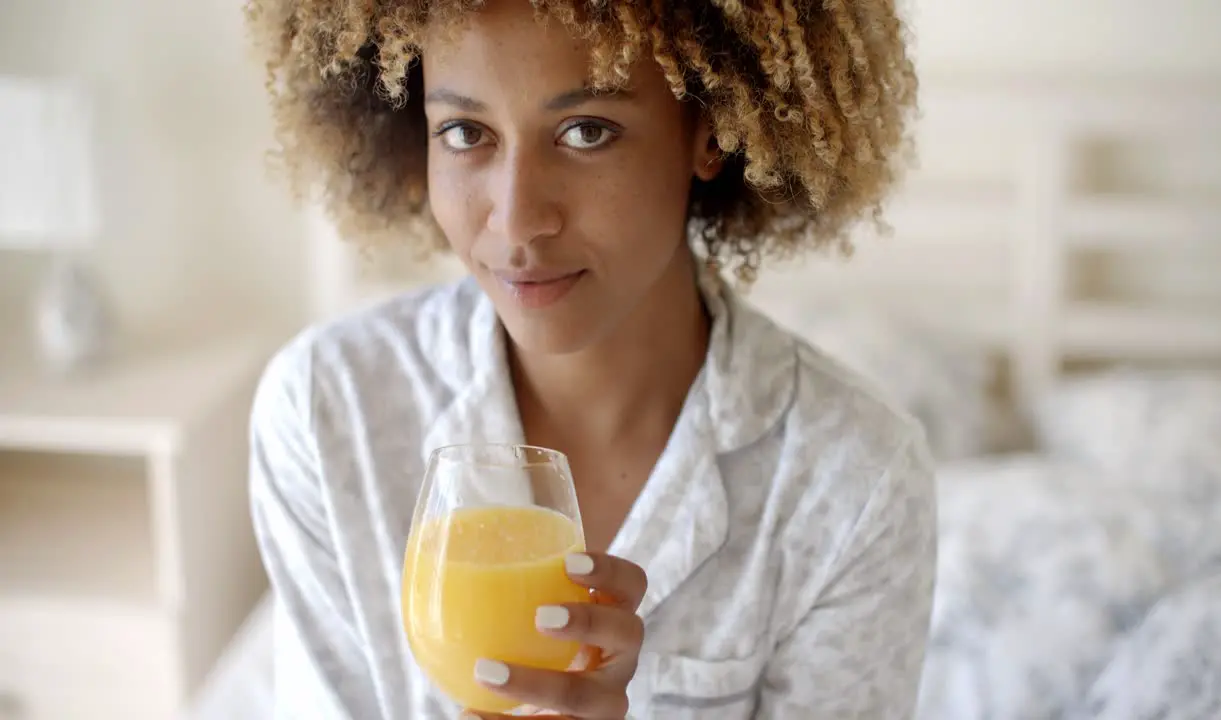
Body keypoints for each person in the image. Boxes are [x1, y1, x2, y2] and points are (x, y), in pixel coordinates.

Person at [243, 0, 935, 718]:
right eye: (464, 132)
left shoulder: (857, 479)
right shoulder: (331, 407)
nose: (516, 221)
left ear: (710, 131)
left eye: (586, 131)